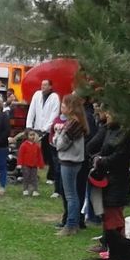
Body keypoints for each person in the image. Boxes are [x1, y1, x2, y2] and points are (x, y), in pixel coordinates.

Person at [86, 109, 130, 251]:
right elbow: (94, 147)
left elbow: (120, 157)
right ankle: (108, 242)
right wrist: (97, 157)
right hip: (108, 177)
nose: (106, 115)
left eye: (110, 113)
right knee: (107, 212)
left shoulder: (124, 134)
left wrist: (102, 161)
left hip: (118, 178)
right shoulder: (109, 130)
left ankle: (117, 245)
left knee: (114, 212)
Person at [52, 94, 88, 236]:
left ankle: (71, 225)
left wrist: (57, 135)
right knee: (73, 194)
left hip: (69, 162)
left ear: (71, 108)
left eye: (64, 105)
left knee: (71, 195)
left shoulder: (73, 124)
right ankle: (74, 223)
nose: (61, 108)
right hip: (74, 161)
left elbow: (60, 145)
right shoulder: (77, 122)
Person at [25, 79, 60, 186]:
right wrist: (29, 125)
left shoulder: (54, 97)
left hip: (48, 130)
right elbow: (32, 110)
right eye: (42, 85)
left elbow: (54, 114)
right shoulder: (37, 95)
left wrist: (45, 128)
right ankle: (32, 175)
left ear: (50, 86)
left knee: (50, 155)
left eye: (45, 85)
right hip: (37, 128)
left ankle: (51, 176)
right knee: (35, 153)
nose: (43, 87)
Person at [17, 130, 45, 196]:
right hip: (25, 164)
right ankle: (25, 189)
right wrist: (19, 164)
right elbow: (20, 155)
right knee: (26, 177)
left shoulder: (36, 146)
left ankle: (35, 190)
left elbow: (39, 156)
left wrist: (41, 164)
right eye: (31, 135)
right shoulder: (23, 145)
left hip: (34, 165)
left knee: (34, 178)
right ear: (27, 136)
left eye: (33, 135)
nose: (32, 137)